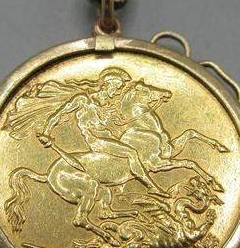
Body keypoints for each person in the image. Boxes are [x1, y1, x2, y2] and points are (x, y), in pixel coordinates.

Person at [37, 68, 167, 196]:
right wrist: (46, 133)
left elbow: (117, 123)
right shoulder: (83, 100)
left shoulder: (108, 104)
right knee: (131, 153)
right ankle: (151, 186)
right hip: (96, 140)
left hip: (110, 137)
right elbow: (59, 114)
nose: (118, 93)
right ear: (110, 85)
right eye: (117, 89)